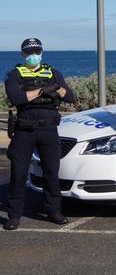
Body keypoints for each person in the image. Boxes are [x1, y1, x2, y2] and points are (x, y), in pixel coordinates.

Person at [3, 38, 74, 230]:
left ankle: (54, 211)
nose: (34, 55)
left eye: (37, 51)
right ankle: (14, 215)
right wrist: (43, 89)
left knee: (51, 172)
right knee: (18, 174)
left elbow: (69, 96)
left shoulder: (54, 73)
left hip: (49, 130)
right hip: (25, 131)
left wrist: (56, 88)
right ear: (23, 54)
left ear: (42, 52)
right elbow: (17, 98)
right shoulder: (14, 75)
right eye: (29, 52)